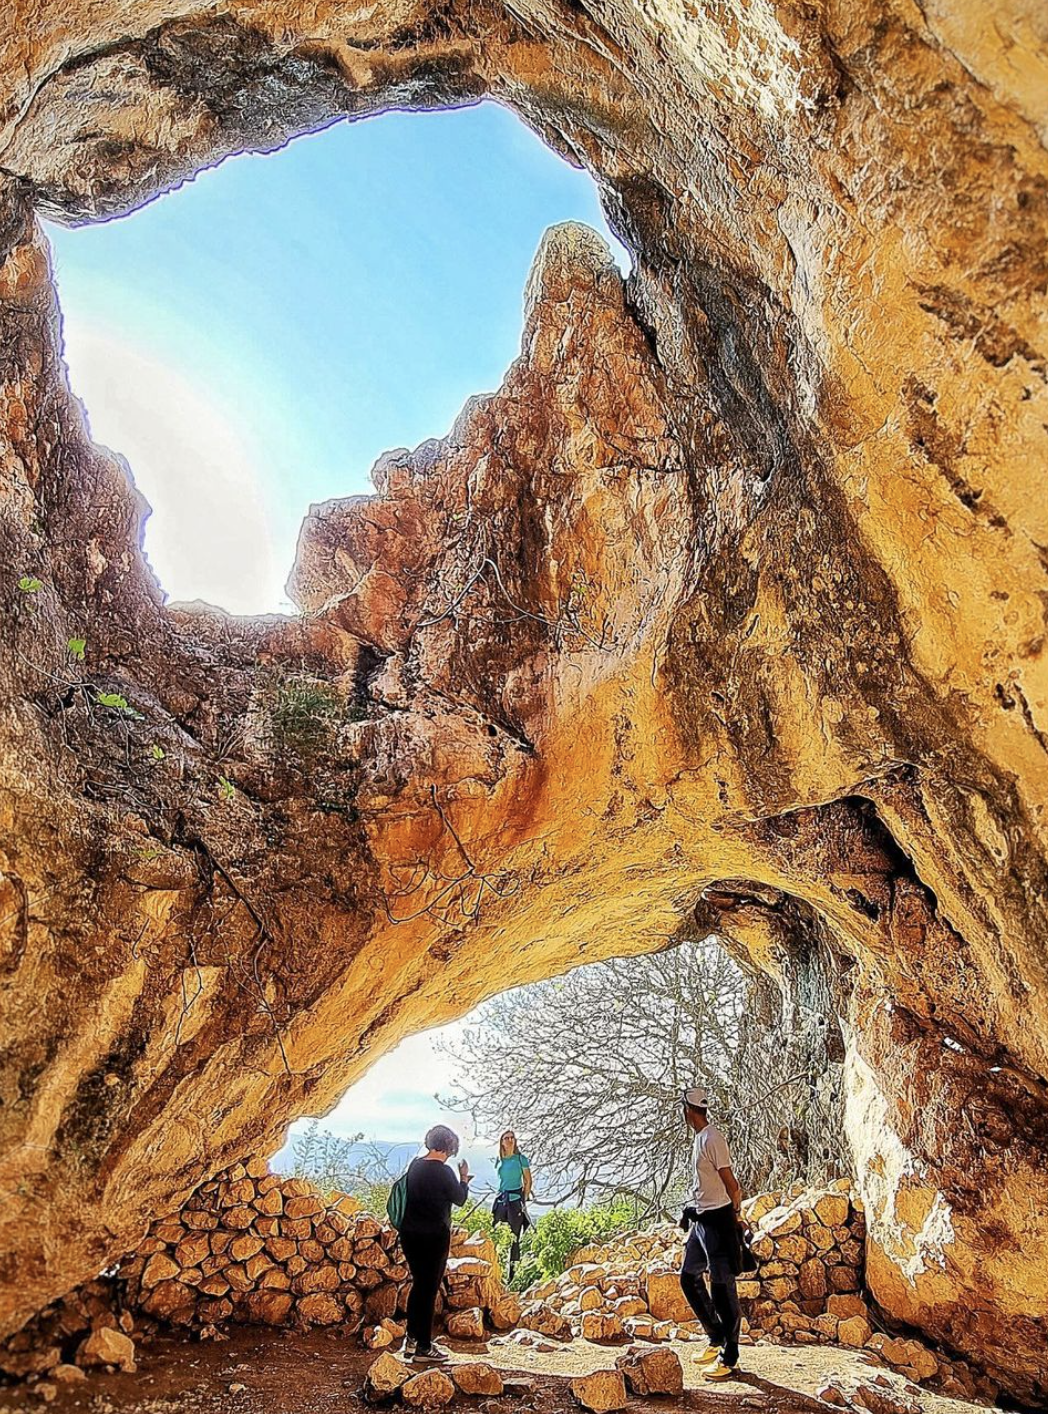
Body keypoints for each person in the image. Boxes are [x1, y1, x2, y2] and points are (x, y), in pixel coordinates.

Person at [678, 1086, 745, 1380]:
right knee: (688, 1277)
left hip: (718, 1221)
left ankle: (729, 1357)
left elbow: (732, 1185)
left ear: (688, 1111)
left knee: (723, 1289)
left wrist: (736, 1217)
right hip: (702, 1221)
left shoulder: (713, 1138)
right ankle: (715, 1336)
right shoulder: (701, 1138)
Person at [399, 1124, 472, 1363]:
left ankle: (410, 1341)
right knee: (428, 1291)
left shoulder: (415, 1166)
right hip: (434, 1238)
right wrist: (463, 1179)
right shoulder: (444, 1172)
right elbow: (459, 1199)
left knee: (418, 1286)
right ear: (450, 1147)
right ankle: (424, 1347)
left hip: (410, 1234)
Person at [492, 1129, 532, 1278]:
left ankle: (513, 1277)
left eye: (512, 1138)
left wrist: (524, 1198)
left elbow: (528, 1180)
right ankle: (495, 1273)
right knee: (495, 1234)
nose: (509, 1140)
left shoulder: (521, 1159)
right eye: (506, 1138)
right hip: (501, 1199)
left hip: (515, 1201)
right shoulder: (499, 1159)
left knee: (514, 1239)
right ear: (501, 1142)